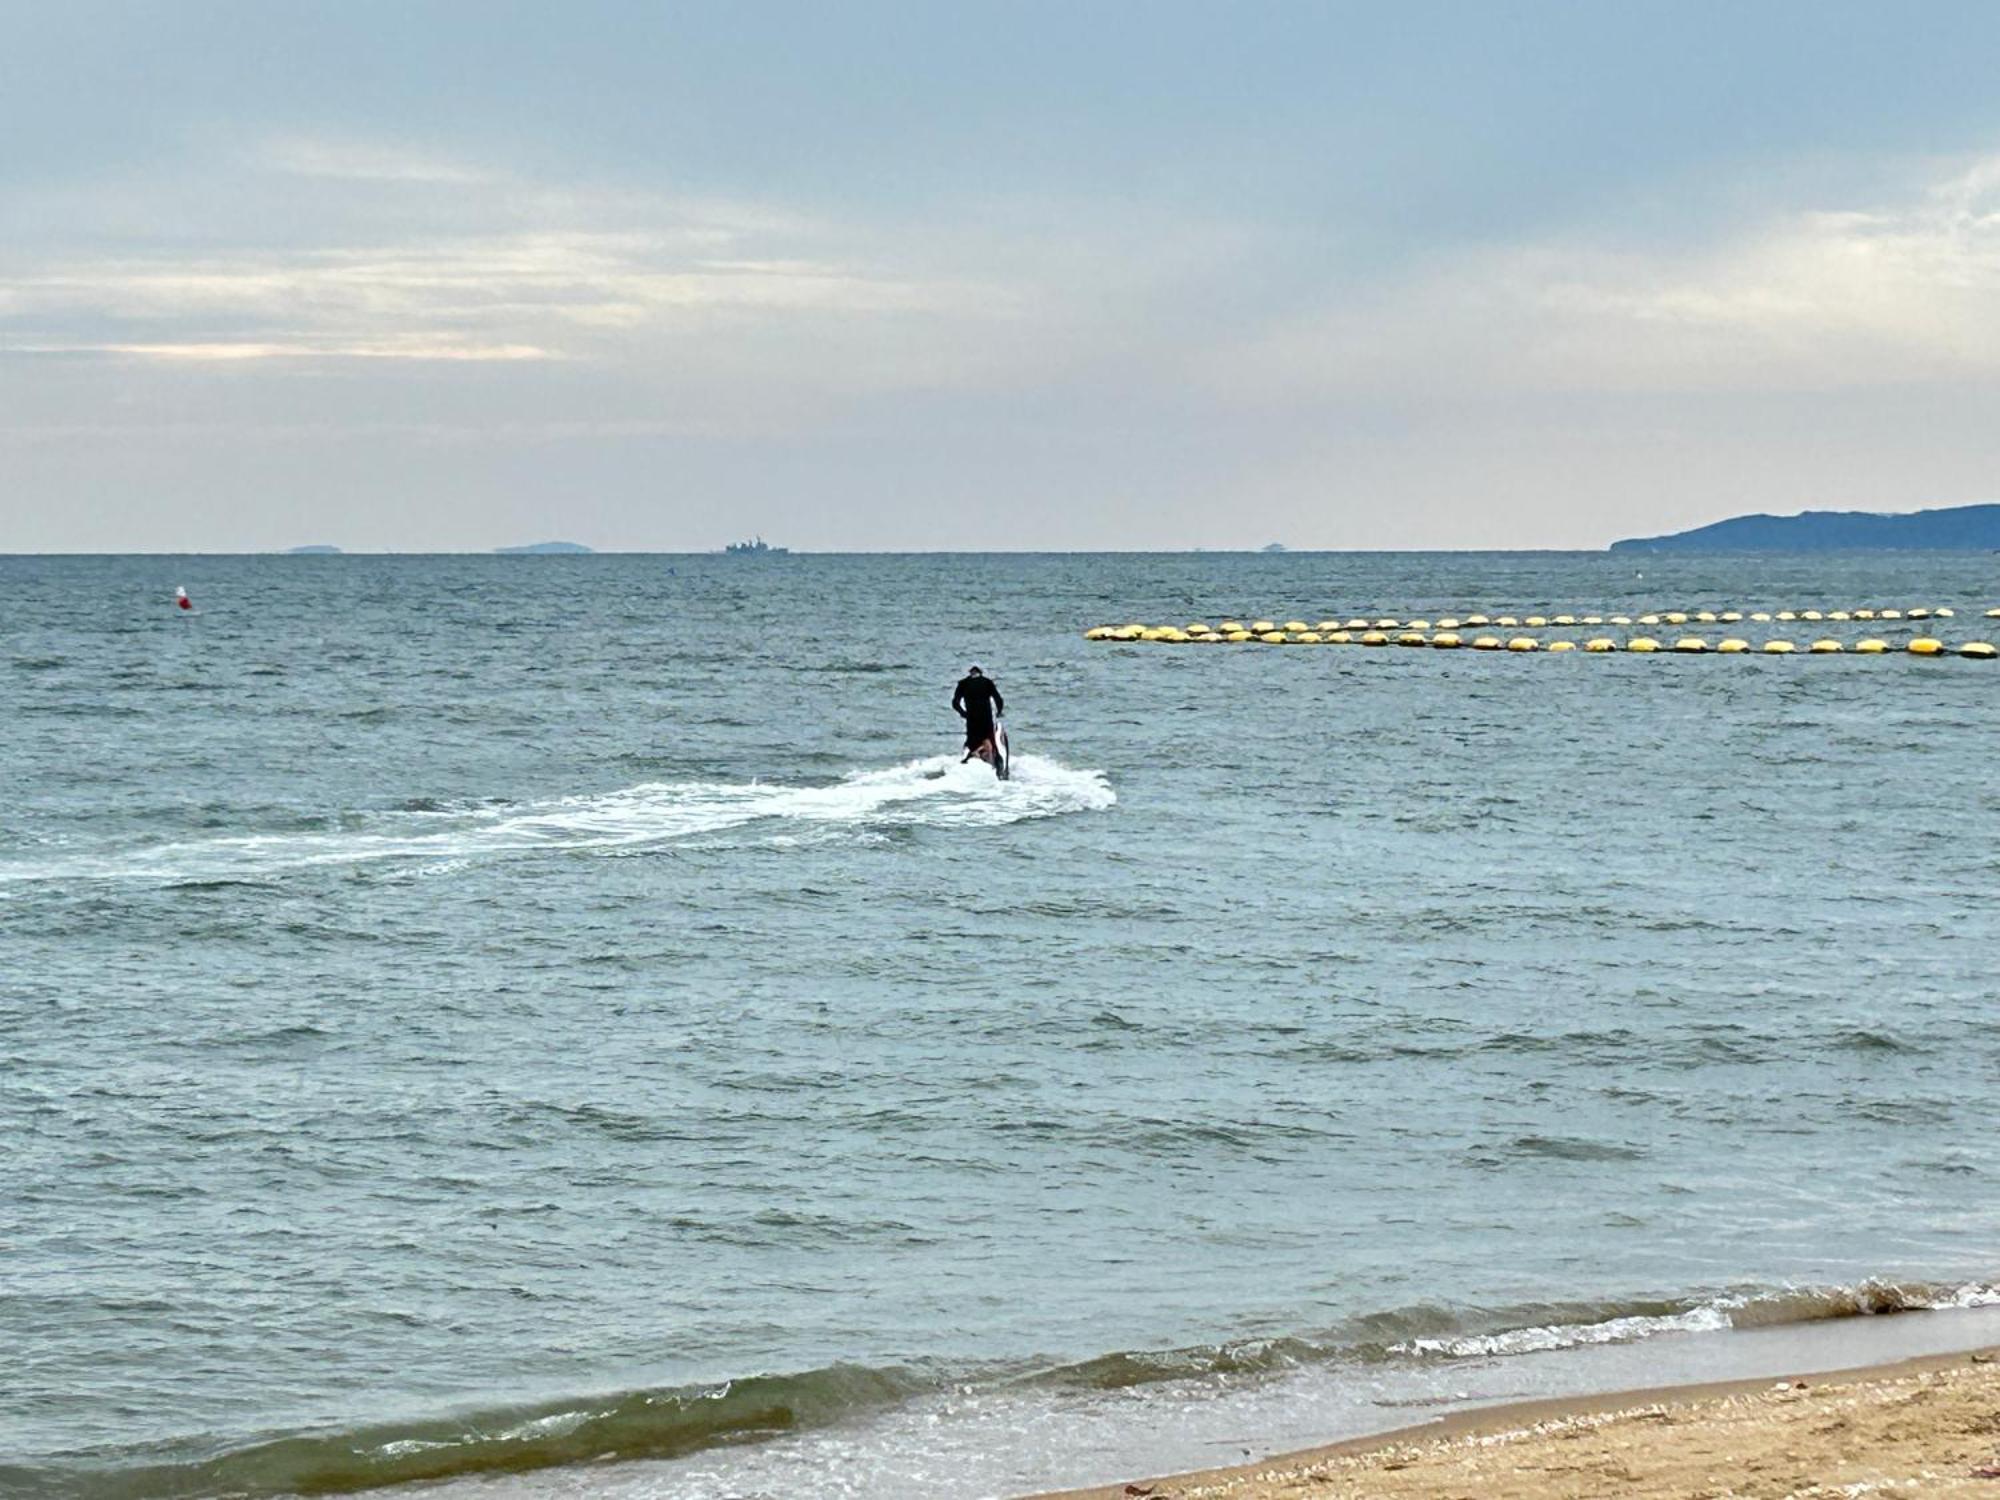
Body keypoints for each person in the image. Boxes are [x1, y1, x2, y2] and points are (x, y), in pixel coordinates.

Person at [952, 665, 1005, 763]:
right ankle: (993, 762)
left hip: (971, 720)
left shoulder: (963, 684)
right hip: (986, 719)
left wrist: (963, 713)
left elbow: (955, 703)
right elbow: (998, 699)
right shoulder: (987, 682)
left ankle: (972, 756)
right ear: (980, 673)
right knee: (989, 741)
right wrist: (999, 712)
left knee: (973, 741)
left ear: (970, 673)